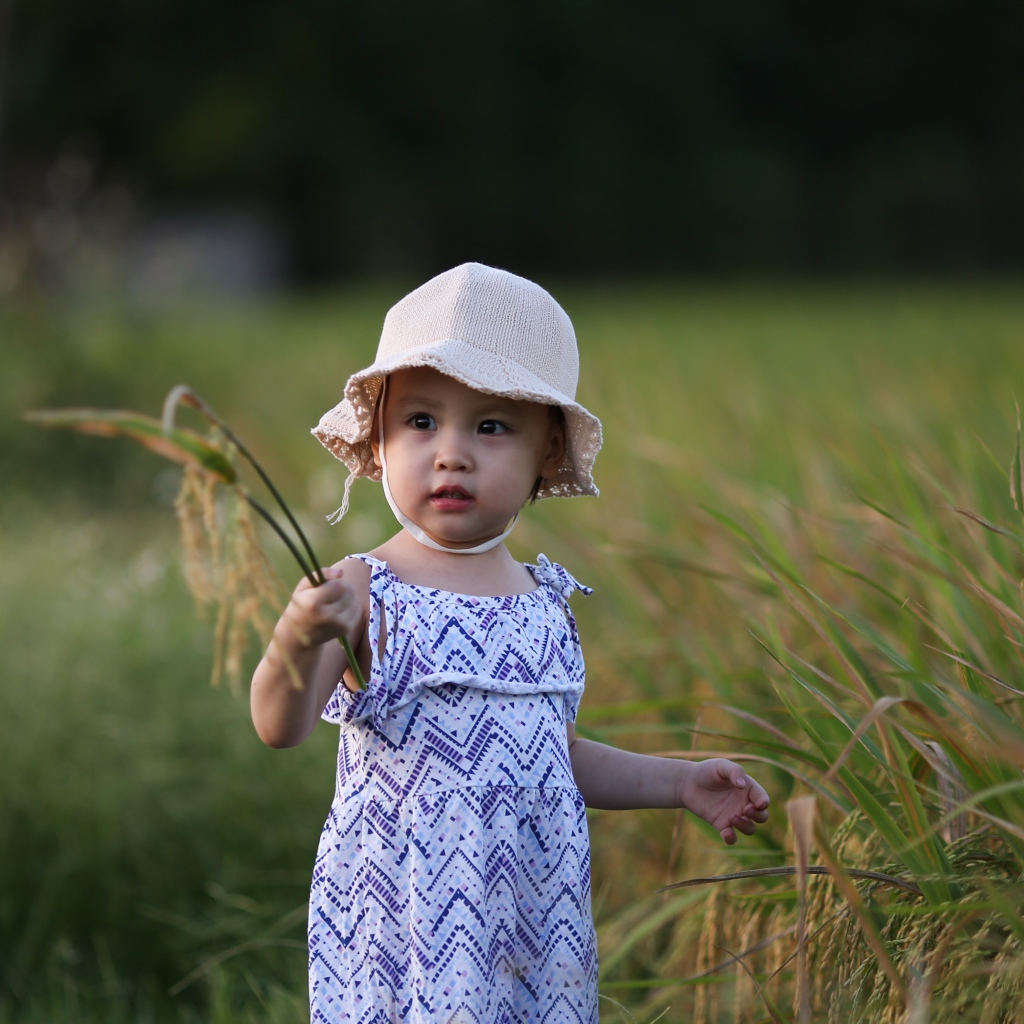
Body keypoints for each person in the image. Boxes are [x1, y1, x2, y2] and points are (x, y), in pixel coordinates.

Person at [250, 263, 770, 1024]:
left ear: (547, 453)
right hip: (410, 919)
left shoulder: (543, 600)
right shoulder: (361, 589)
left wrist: (679, 783)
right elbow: (278, 724)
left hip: (530, 915)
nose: (451, 453)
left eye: (491, 427)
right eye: (420, 421)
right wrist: (298, 638)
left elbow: (552, 757)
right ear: (379, 438)